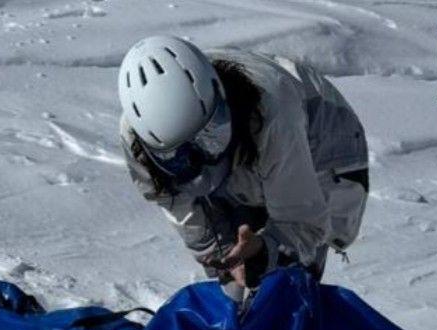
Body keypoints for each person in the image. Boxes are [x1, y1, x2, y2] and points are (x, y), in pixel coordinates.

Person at [117, 36, 369, 303]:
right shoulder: (137, 145)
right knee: (237, 280)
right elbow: (187, 214)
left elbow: (303, 221)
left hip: (320, 144)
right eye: (176, 157)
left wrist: (267, 252)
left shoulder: (272, 111)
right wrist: (225, 258)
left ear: (223, 101)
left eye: (210, 136)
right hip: (247, 145)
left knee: (288, 283)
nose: (203, 161)